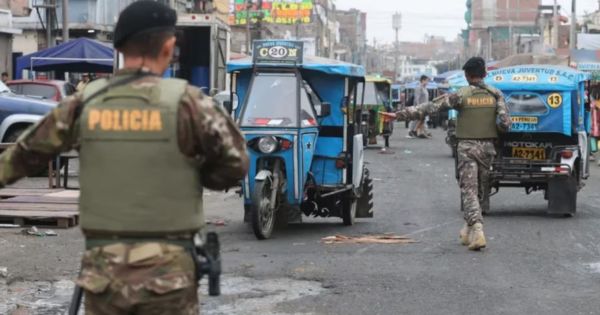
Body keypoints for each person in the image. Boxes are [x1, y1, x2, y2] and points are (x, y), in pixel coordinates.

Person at [0, 1, 249, 313]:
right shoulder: (191, 105)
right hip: (170, 275)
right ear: (168, 46)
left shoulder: (83, 104)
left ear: (118, 47)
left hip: (105, 274)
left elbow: (21, 158)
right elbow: (235, 166)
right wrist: (196, 173)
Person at [396, 57, 511, 251]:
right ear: (485, 74)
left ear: (467, 76)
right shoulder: (496, 95)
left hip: (467, 149)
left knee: (469, 190)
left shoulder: (461, 95)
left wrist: (400, 115)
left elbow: (431, 107)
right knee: (480, 190)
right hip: (488, 149)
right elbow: (505, 124)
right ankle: (468, 229)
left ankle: (477, 228)